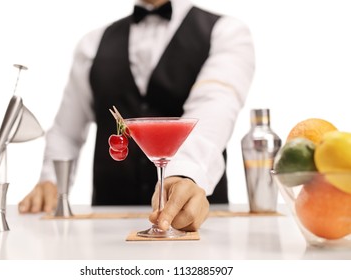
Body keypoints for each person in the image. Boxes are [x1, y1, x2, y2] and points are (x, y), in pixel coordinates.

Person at [18, 0, 255, 232]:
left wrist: (184, 173)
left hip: (194, 228)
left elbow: (213, 108)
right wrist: (52, 181)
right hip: (107, 227)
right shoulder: (92, 44)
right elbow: (66, 133)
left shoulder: (226, 32)